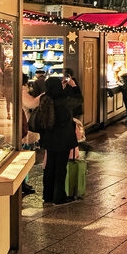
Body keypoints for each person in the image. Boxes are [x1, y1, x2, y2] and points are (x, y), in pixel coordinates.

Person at [37, 74, 83, 205]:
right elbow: (79, 100)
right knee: (60, 168)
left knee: (50, 167)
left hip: (49, 139)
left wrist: (63, 87)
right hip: (63, 140)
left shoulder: (45, 99)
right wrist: (74, 87)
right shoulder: (64, 101)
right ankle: (59, 197)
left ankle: (48, 195)